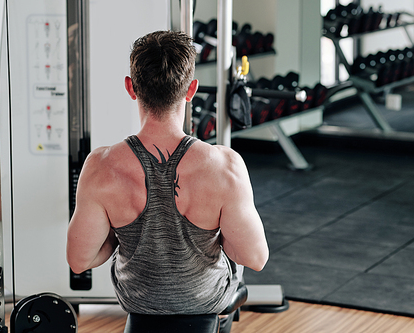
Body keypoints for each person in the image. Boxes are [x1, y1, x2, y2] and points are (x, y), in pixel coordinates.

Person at [66, 30, 269, 332]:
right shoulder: (226, 166)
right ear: (191, 90)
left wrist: (120, 236)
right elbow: (254, 257)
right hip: (205, 299)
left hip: (138, 300)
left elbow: (80, 260)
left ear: (131, 88)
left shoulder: (100, 167)